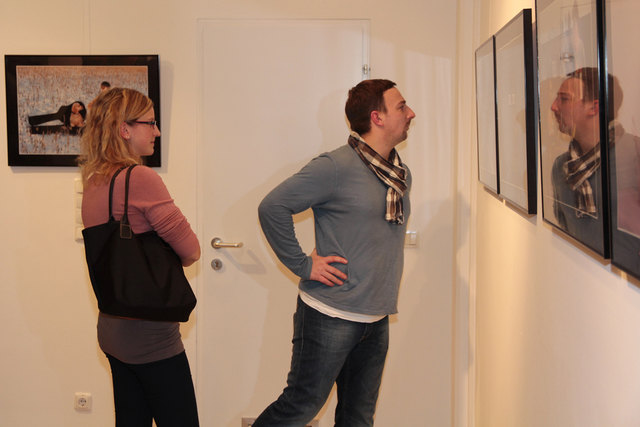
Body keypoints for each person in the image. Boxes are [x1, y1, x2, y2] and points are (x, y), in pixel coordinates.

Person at [253, 79, 415, 427]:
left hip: (376, 318)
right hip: (330, 315)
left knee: (358, 417)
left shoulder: (398, 175)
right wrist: (302, 264)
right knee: (300, 408)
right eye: (401, 106)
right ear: (377, 117)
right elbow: (272, 207)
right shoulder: (335, 167)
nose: (410, 113)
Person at [78, 87, 200, 426]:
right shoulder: (140, 178)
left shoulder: (93, 181)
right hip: (149, 333)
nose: (156, 132)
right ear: (125, 129)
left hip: (112, 328)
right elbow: (191, 250)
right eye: (150, 123)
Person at [550, 67, 613, 250]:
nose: (553, 106)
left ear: (594, 107)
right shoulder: (560, 166)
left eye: (564, 99)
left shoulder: (632, 158)